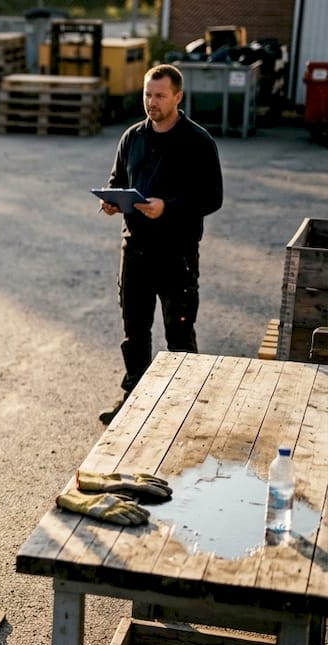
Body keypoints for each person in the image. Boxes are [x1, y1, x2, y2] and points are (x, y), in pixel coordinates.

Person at [97, 64, 223, 425]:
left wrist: (168, 207)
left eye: (160, 96)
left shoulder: (198, 141)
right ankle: (133, 401)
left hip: (177, 254)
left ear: (178, 97)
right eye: (147, 95)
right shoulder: (132, 137)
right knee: (134, 332)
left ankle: (185, 410)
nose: (151, 102)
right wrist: (110, 201)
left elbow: (212, 197)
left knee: (179, 334)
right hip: (134, 251)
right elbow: (117, 179)